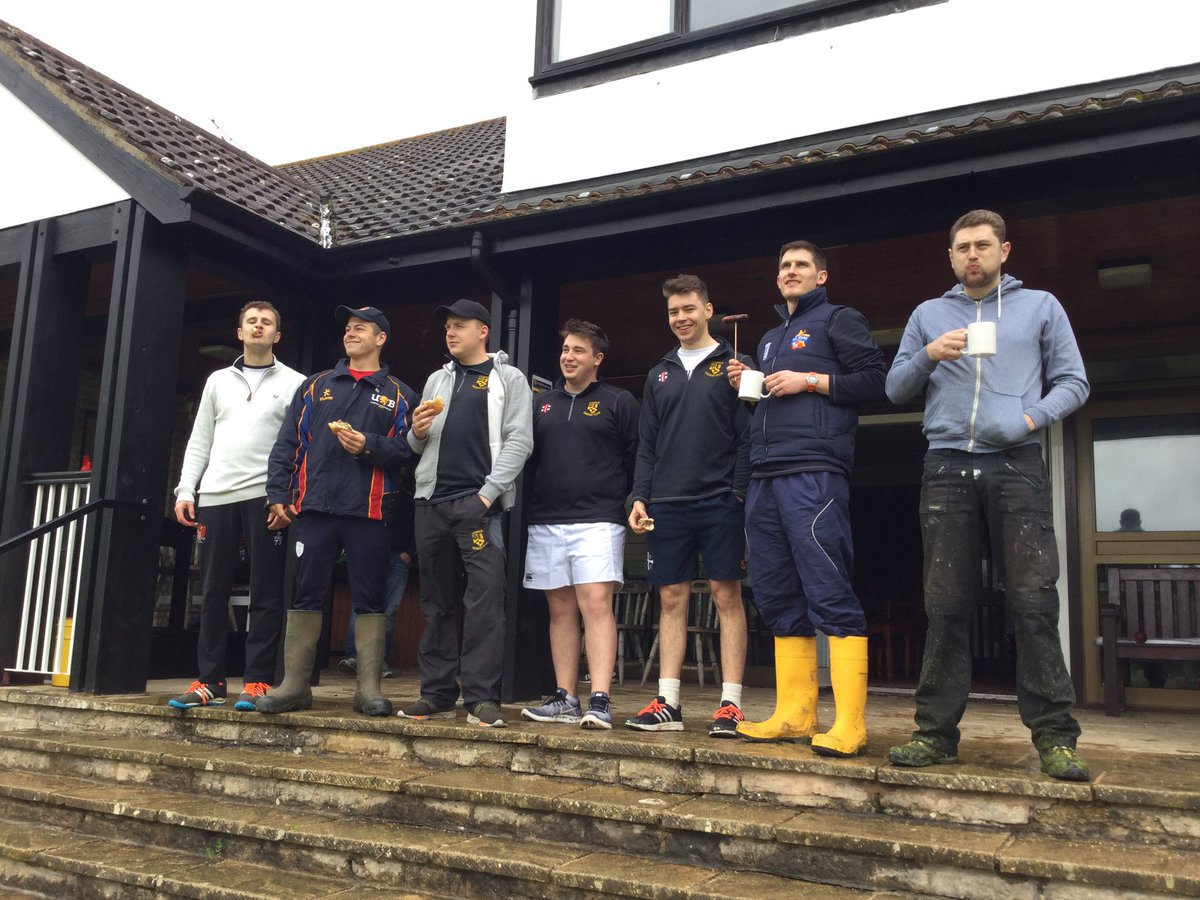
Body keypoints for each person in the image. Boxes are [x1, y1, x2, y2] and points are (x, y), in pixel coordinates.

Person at [885, 209, 1091, 782]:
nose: (972, 255)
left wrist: (1029, 419)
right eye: (961, 248)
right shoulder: (929, 315)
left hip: (1016, 462)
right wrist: (930, 355)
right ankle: (934, 735)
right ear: (950, 257)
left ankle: (1056, 738)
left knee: (1032, 599)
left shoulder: (1040, 306)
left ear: (1005, 251)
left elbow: (1074, 381)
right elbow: (895, 387)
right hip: (946, 464)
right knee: (944, 604)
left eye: (982, 246)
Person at [726, 241, 886, 756]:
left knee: (829, 587)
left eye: (800, 266)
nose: (790, 272)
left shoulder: (840, 319)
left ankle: (850, 724)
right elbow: (767, 407)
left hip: (814, 471)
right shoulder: (771, 337)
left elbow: (877, 380)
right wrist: (748, 384)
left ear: (821, 276)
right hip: (766, 476)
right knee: (774, 592)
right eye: (783, 267)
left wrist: (810, 380)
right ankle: (794, 715)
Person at [259, 305, 417, 717]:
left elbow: (410, 451)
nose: (350, 333)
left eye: (360, 328)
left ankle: (368, 689)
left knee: (370, 597)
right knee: (305, 592)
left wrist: (368, 445)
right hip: (313, 508)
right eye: (347, 327)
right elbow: (288, 443)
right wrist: (278, 491)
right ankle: (294, 685)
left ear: (381, 338)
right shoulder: (315, 386)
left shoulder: (401, 394)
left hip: (370, 512)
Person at [397, 299, 533, 728]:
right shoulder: (437, 378)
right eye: (448, 328)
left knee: (484, 601)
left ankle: (480, 699)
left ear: (483, 331)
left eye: (460, 326)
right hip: (431, 504)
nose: (451, 333)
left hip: (478, 506)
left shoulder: (508, 378)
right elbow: (417, 444)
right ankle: (436, 693)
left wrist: (488, 496)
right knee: (437, 602)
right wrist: (415, 432)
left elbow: (519, 441)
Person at [625, 274, 752, 738]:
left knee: (726, 596)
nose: (681, 318)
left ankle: (731, 705)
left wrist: (737, 493)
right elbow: (647, 445)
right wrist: (639, 496)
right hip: (667, 503)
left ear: (708, 309)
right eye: (674, 312)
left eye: (688, 309)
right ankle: (669, 703)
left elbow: (748, 437)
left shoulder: (735, 363)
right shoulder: (658, 373)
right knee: (671, 598)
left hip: (720, 500)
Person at [168, 301, 306, 711]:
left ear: (277, 336)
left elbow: (301, 448)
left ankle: (258, 681)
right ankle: (210, 681)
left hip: (267, 497)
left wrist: (289, 496)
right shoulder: (216, 381)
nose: (258, 327)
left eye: (267, 323)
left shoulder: (296, 382)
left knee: (266, 591)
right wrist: (185, 490)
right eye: (251, 321)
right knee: (212, 591)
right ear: (240, 332)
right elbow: (200, 439)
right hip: (215, 496)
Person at [521, 320, 639, 730]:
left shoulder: (619, 401)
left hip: (600, 520)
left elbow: (635, 458)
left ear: (597, 359)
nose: (568, 356)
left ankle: (601, 699)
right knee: (560, 610)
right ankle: (566, 697)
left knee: (595, 605)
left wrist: (630, 502)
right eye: (566, 349)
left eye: (578, 351)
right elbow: (527, 461)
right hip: (547, 520)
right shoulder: (541, 404)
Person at [339, 474, 416, 679]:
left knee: (389, 610)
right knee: (361, 605)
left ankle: (378, 660)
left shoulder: (411, 495)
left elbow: (420, 524)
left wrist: (409, 553)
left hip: (399, 555)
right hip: (371, 552)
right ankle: (355, 657)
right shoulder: (369, 489)